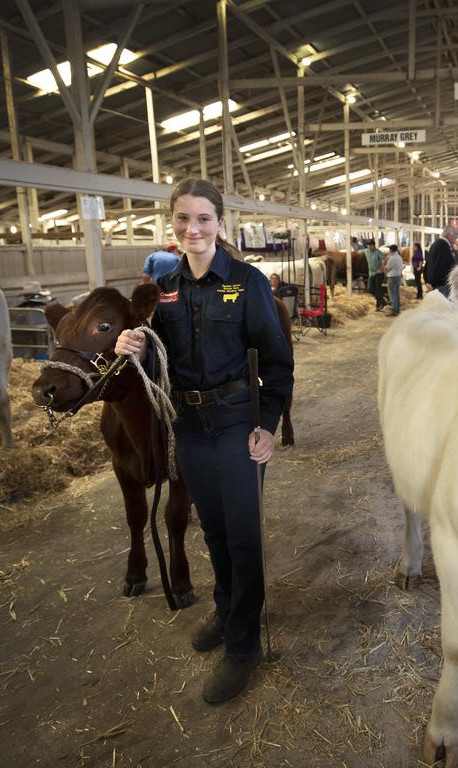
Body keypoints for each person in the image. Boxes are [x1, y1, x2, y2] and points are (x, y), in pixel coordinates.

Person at [114, 178, 293, 705]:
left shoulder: (246, 282)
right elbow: (160, 356)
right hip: (189, 425)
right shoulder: (164, 287)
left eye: (203, 220)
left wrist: (270, 423)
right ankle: (225, 605)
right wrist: (135, 345)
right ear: (172, 223)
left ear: (220, 224)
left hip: (238, 419)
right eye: (183, 220)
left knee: (242, 533)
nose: (193, 229)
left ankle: (242, 645)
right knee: (211, 528)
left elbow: (278, 360)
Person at [363, 239, 386, 310]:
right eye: (368, 245)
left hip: (379, 273)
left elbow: (385, 259)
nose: (369, 247)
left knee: (378, 288)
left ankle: (378, 304)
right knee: (370, 289)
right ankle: (383, 301)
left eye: (370, 245)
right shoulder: (366, 251)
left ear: (373, 245)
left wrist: (381, 269)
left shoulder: (378, 252)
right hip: (371, 273)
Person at [383, 244, 404, 316]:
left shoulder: (392, 258)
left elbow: (387, 268)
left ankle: (394, 310)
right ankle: (397, 308)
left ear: (391, 250)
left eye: (389, 249)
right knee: (396, 293)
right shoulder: (399, 257)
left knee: (392, 294)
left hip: (392, 277)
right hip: (398, 276)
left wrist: (384, 269)